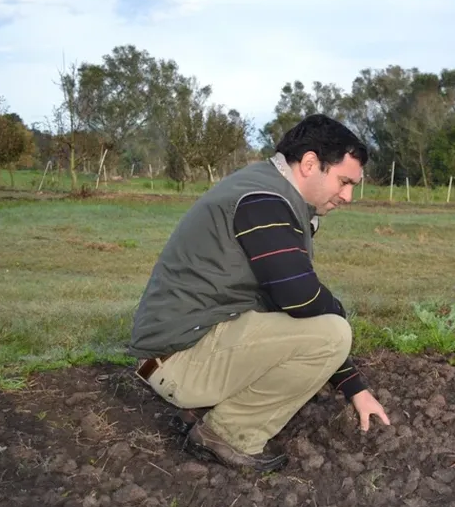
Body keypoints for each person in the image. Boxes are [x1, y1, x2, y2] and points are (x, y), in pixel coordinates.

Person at [127, 114, 390, 473]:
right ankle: (230, 434)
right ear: (310, 164)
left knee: (319, 326)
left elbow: (293, 304)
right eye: (344, 181)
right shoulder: (263, 201)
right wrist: (338, 313)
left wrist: (354, 388)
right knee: (332, 332)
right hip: (178, 360)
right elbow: (302, 298)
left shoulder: (266, 191)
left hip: (181, 348)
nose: (348, 196)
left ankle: (205, 409)